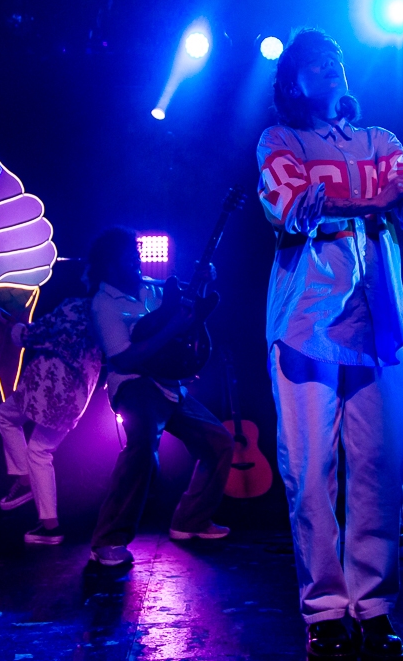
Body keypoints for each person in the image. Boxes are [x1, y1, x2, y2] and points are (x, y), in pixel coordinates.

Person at [256, 29, 403, 659]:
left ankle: (372, 608)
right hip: (307, 322)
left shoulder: (381, 140)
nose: (332, 69)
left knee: (382, 465)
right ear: (293, 82)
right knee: (310, 467)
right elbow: (293, 205)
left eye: (337, 60)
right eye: (316, 65)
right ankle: (324, 612)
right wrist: (376, 201)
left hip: (379, 315)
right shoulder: (281, 140)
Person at [87, 226, 234, 567]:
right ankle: (107, 540)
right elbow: (122, 358)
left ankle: (190, 520)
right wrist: (172, 329)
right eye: (128, 255)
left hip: (169, 383)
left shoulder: (152, 289)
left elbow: (187, 313)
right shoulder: (103, 304)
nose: (137, 259)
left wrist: (205, 282)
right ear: (110, 264)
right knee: (141, 448)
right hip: (134, 383)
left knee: (220, 443)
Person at [0, 286, 103, 545]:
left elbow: (31, 334)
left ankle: (23, 479)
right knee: (40, 451)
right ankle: (50, 527)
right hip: (77, 396)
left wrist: (3, 321)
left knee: (3, 415)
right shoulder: (105, 311)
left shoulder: (74, 307)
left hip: (46, 388)